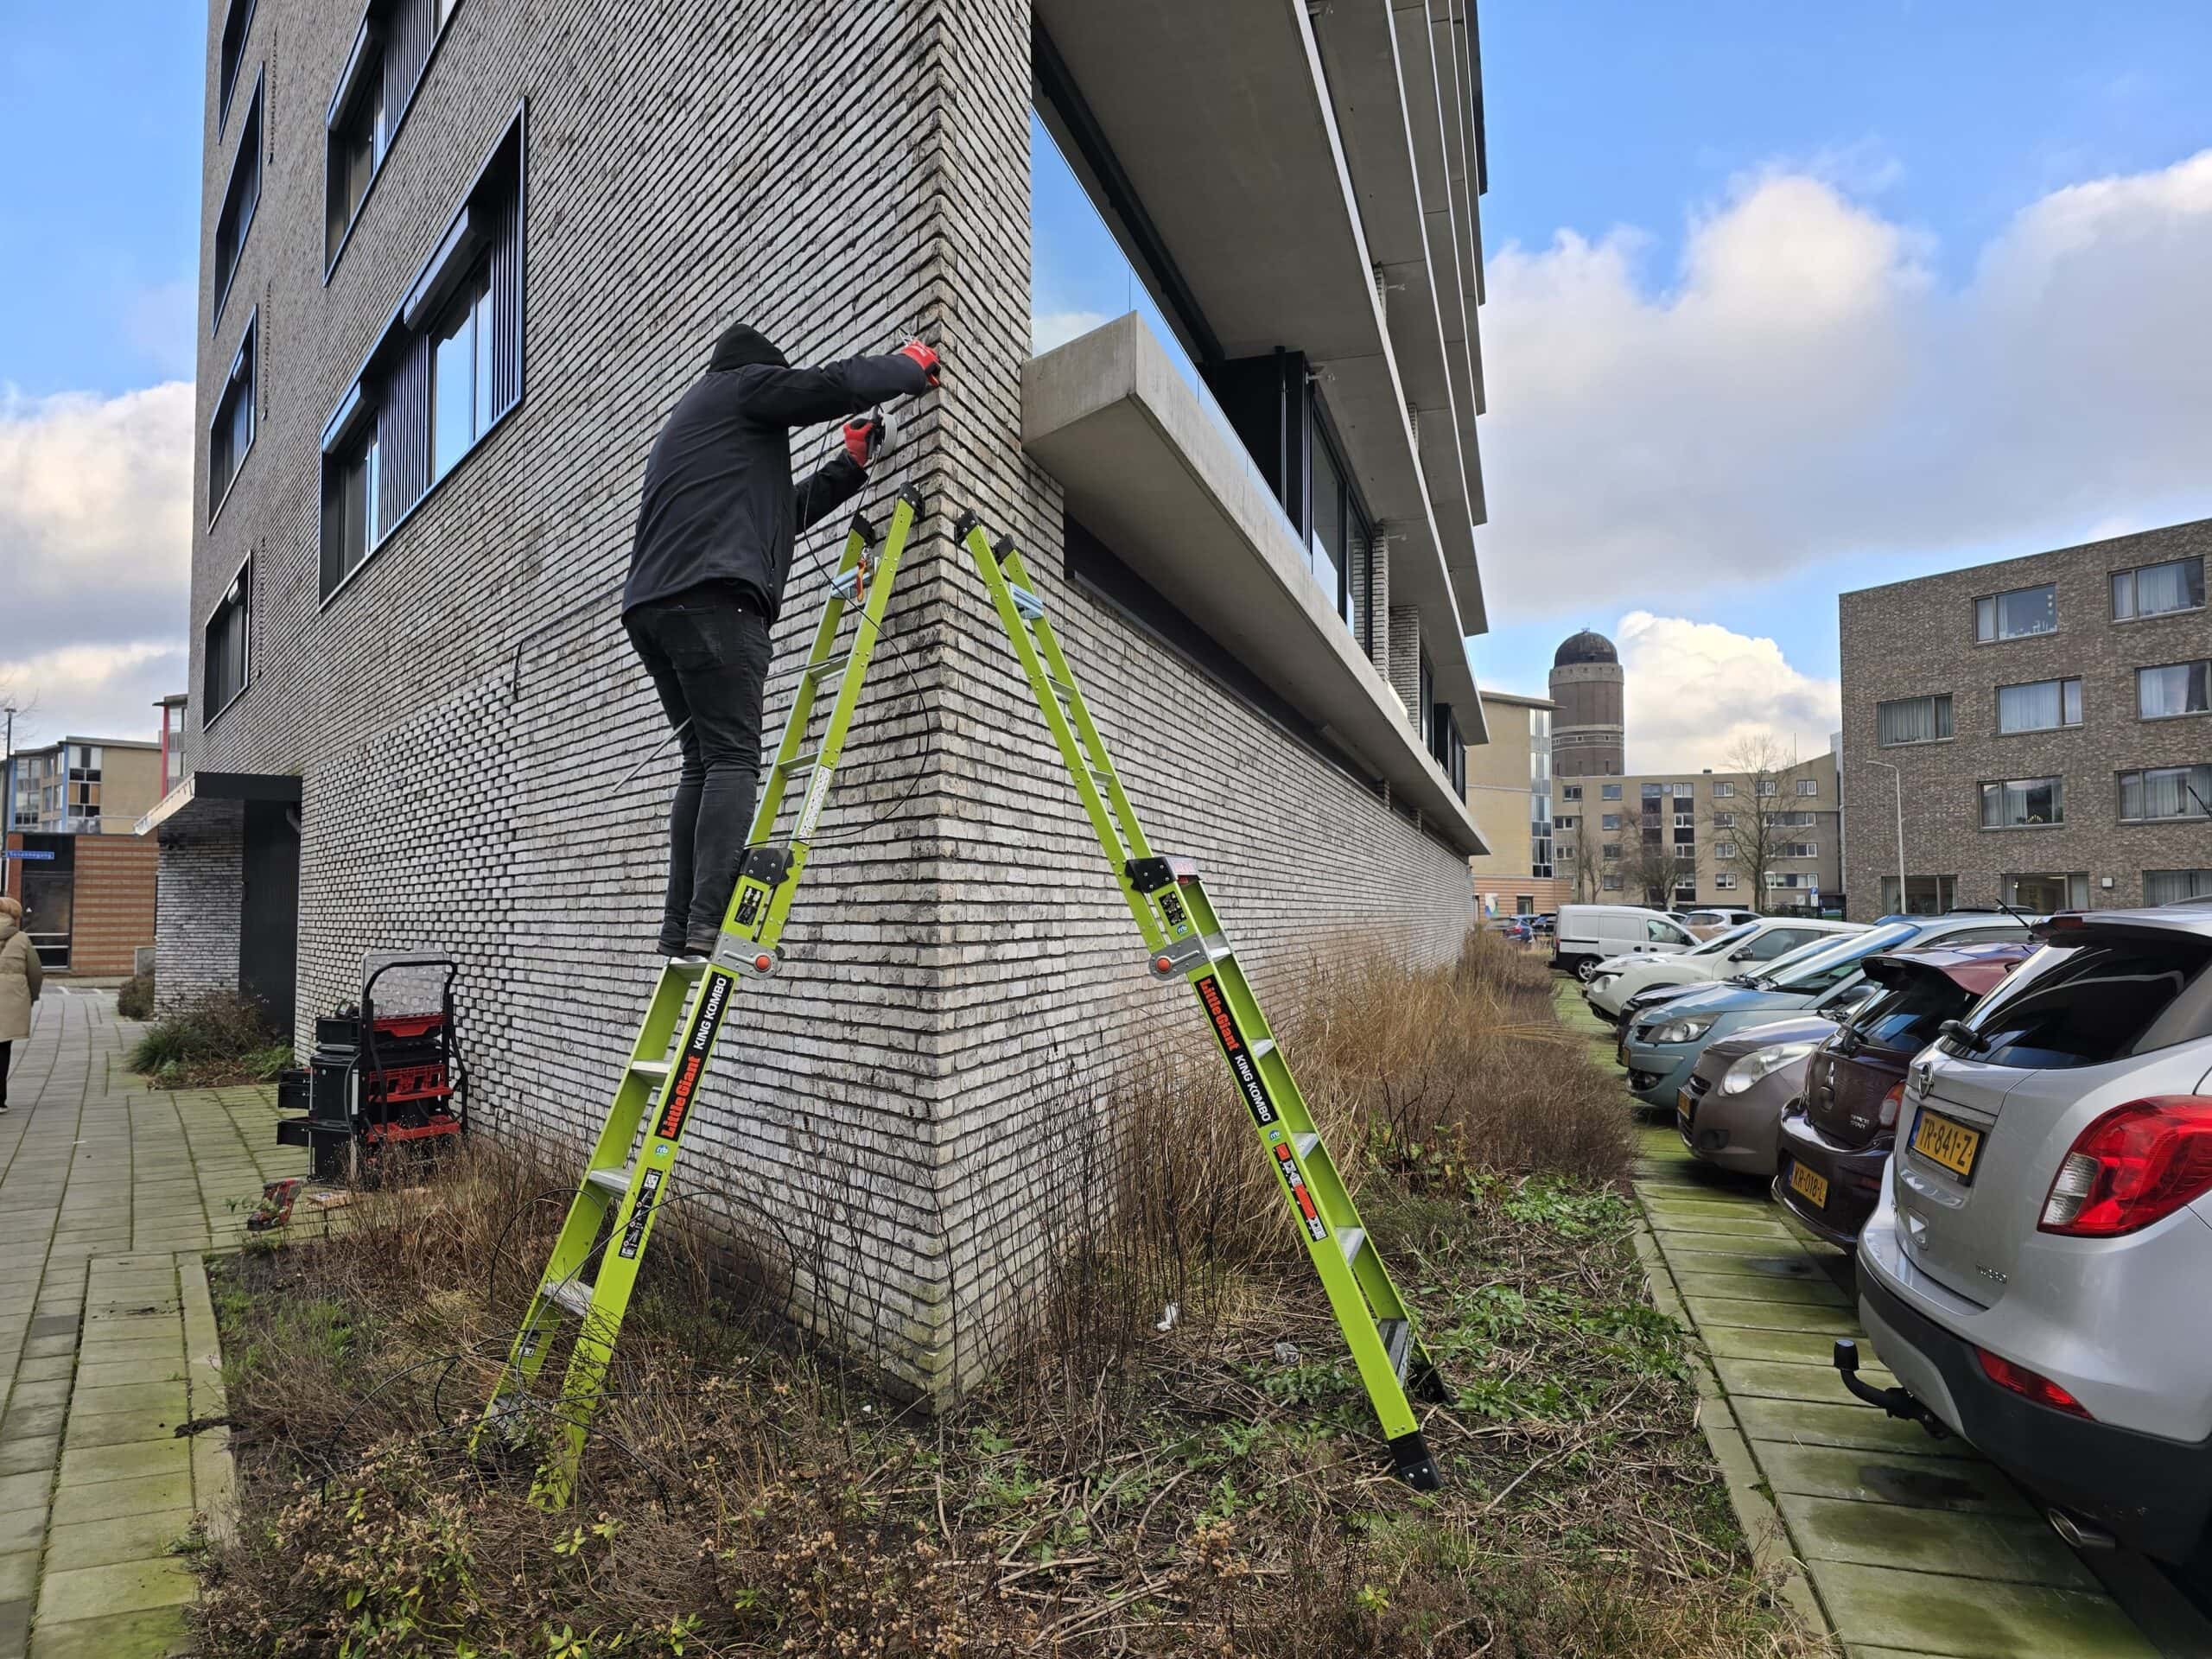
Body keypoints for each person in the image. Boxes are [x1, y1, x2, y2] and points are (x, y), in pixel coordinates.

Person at [624, 322, 940, 961]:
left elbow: (778, 515)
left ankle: (683, 927)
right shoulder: (740, 387)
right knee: (735, 761)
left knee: (704, 762)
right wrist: (907, 366)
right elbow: (829, 385)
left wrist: (850, 466)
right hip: (717, 604)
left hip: (656, 609)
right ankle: (710, 922)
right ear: (758, 370)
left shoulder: (701, 432)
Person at [0, 896, 42, 1114]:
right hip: (10, 1000)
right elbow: (35, 973)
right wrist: (32, 997)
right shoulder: (22, 939)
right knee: (2, 1048)